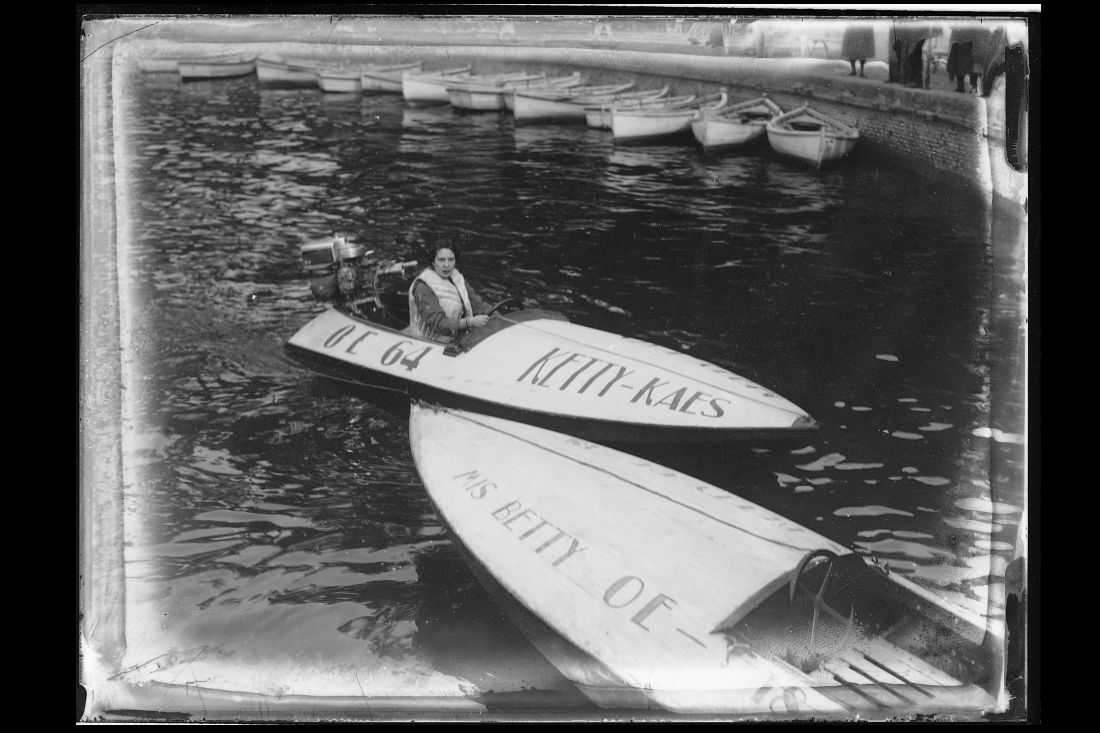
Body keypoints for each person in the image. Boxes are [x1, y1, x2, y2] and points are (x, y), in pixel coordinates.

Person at [407, 241, 492, 344]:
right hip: (428, 343)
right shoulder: (423, 286)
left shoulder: (457, 278)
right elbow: (438, 324)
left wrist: (498, 317)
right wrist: (470, 322)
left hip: (456, 339)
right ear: (433, 262)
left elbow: (478, 304)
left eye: (451, 260)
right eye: (441, 260)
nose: (446, 265)